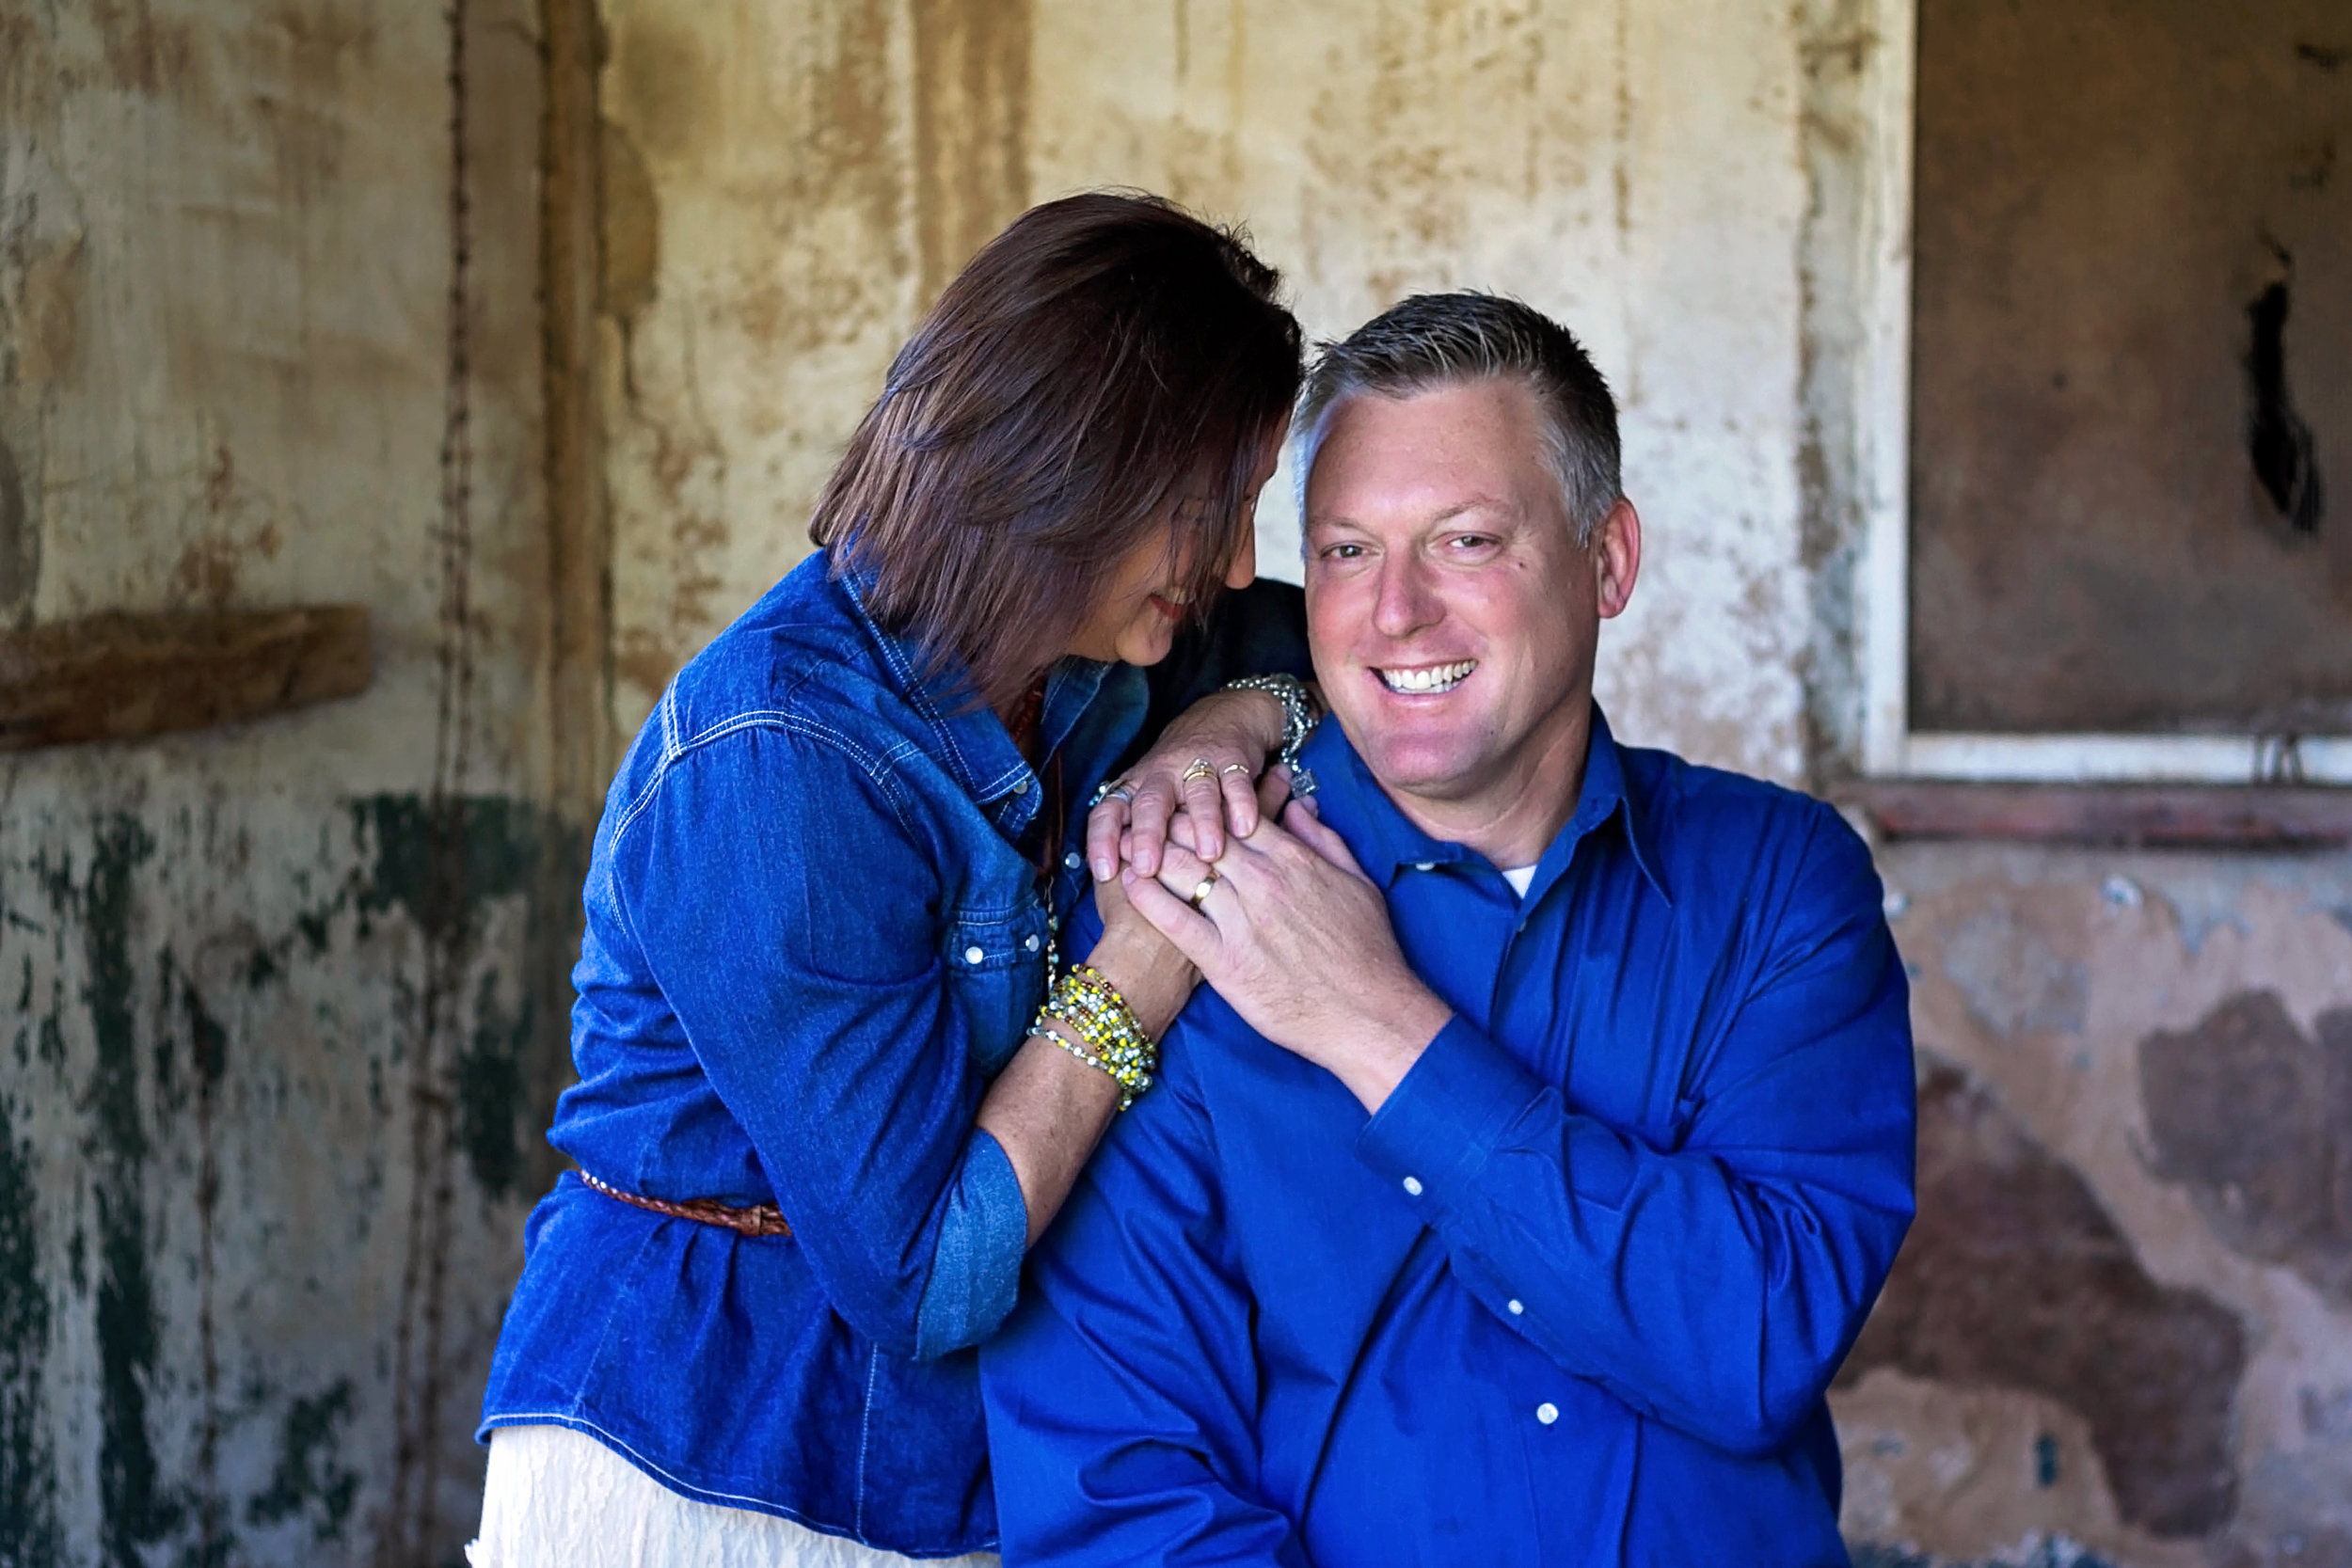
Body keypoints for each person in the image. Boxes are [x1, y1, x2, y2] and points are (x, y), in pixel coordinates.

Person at [981, 293, 1918, 1565]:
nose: (1397, 612)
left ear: (1609, 561)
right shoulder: (1179, 906)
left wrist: (1377, 1026)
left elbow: (1752, 1338)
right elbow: (1120, 1480)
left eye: (1467, 541)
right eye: (1349, 552)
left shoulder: (1779, 889)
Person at [470, 192, 1315, 1566]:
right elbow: (929, 1277)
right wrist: (1147, 959)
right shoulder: (780, 758)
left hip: (939, 1475)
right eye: (1206, 510)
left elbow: (1333, 639)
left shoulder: (1097, 660)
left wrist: (1242, 714)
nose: (1232, 563)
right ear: (1069, 469)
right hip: (696, 1468)